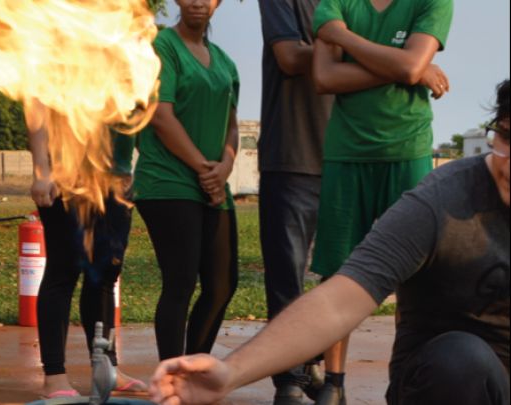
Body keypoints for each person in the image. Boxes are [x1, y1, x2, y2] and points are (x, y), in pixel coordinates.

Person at [149, 79, 510, 405]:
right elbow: (339, 301)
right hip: (449, 381)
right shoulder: (442, 199)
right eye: (507, 137)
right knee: (462, 360)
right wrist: (230, 373)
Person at [307, 0, 454, 402]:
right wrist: (407, 67)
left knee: (416, 280)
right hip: (346, 151)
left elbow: (409, 68)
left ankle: (406, 386)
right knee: (339, 275)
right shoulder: (334, 2)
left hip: (408, 148)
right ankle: (332, 387)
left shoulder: (433, 2)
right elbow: (323, 76)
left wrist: (344, 38)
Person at [133, 0, 240, 362]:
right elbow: (160, 117)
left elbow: (232, 124)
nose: (199, 1)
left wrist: (225, 164)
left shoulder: (225, 61)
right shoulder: (163, 47)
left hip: (211, 184)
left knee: (223, 284)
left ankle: (193, 369)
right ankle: (171, 377)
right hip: (167, 182)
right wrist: (204, 170)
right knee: (180, 284)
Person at [29, 111, 148, 398]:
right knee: (63, 272)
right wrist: (42, 171)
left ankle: (107, 369)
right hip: (67, 173)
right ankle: (54, 376)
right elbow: (36, 105)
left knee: (105, 276)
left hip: (116, 178)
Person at [256, 0, 334, 402]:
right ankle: (287, 378)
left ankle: (318, 365)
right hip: (291, 154)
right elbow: (288, 56)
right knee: (288, 276)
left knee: (335, 277)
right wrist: (363, 50)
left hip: (344, 156)